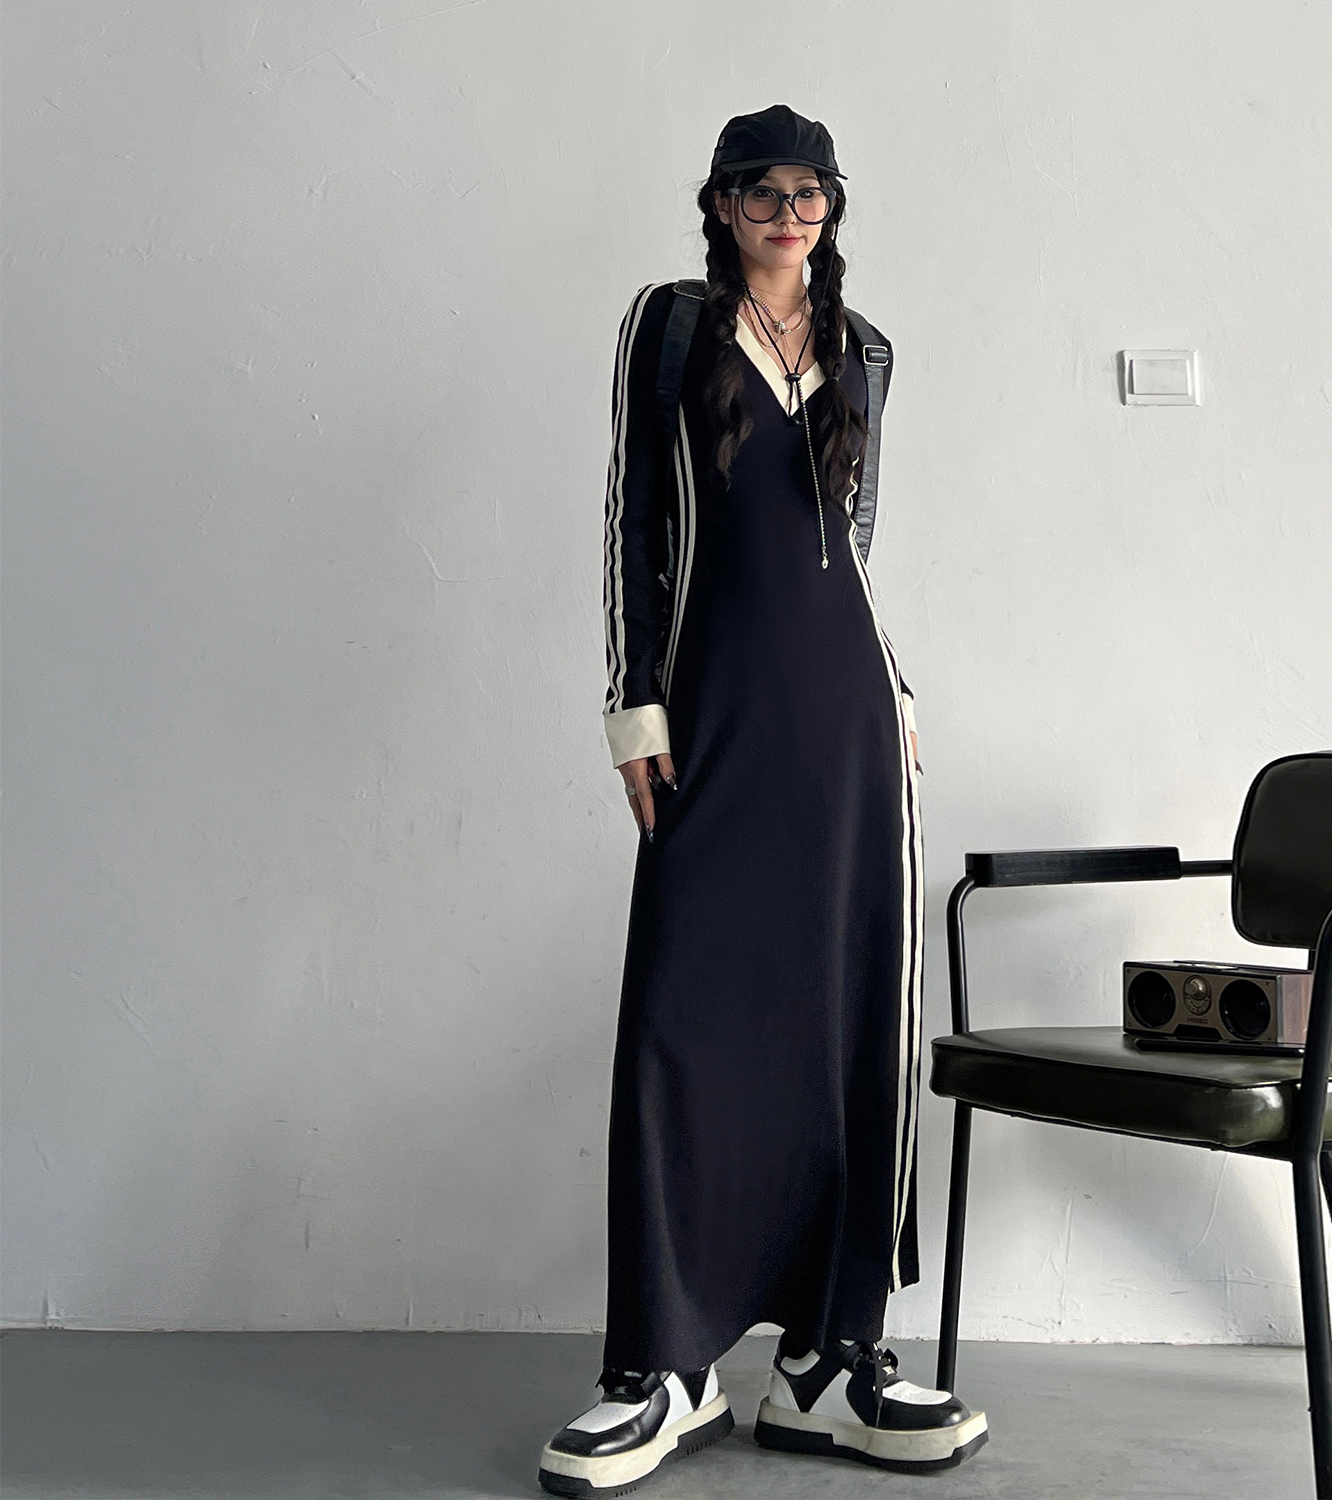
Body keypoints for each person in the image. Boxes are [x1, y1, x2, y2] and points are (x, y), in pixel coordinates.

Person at [538, 105, 988, 1499]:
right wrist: (634, 707)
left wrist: (894, 693)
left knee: (848, 1015)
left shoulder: (865, 350)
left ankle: (828, 1358)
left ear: (831, 206)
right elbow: (635, 520)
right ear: (722, 204)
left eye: (810, 192)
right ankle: (664, 1364)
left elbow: (852, 542)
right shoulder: (670, 326)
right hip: (711, 711)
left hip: (850, 719)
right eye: (762, 191)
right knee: (680, 1017)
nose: (788, 214)